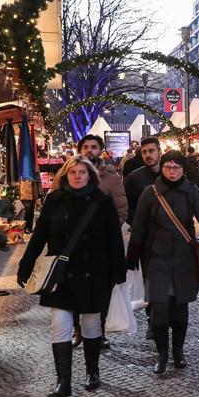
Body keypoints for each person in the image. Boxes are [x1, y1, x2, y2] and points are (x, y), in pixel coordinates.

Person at [17, 157, 126, 397]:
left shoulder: (102, 202)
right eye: (73, 172)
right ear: (65, 176)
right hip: (61, 275)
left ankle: (92, 371)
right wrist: (25, 266)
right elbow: (40, 235)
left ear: (90, 175)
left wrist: (119, 272)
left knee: (90, 324)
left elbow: (114, 240)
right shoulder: (54, 201)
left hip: (94, 272)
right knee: (60, 325)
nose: (78, 176)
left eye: (82, 172)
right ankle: (63, 381)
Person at [127, 150, 199, 375]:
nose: (172, 171)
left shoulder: (192, 191)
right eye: (168, 167)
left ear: (183, 170)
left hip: (184, 259)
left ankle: (178, 350)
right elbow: (138, 226)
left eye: (177, 167)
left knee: (179, 309)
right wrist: (133, 254)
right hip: (157, 258)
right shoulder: (151, 193)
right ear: (162, 168)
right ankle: (162, 353)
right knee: (159, 308)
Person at [77, 134, 130, 349]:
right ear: (79, 150)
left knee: (103, 289)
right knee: (75, 287)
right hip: (76, 246)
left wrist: (106, 232)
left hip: (102, 247)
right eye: (86, 147)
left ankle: (98, 330)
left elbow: (122, 209)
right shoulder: (70, 174)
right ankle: (77, 329)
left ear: (101, 150)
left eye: (94, 147)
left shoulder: (111, 176)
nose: (90, 150)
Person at [123, 136, 162, 339]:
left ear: (159, 152)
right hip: (146, 240)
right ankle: (153, 320)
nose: (148, 155)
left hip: (170, 240)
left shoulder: (170, 173)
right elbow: (128, 207)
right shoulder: (134, 179)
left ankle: (169, 318)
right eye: (145, 152)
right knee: (150, 281)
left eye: (151, 151)